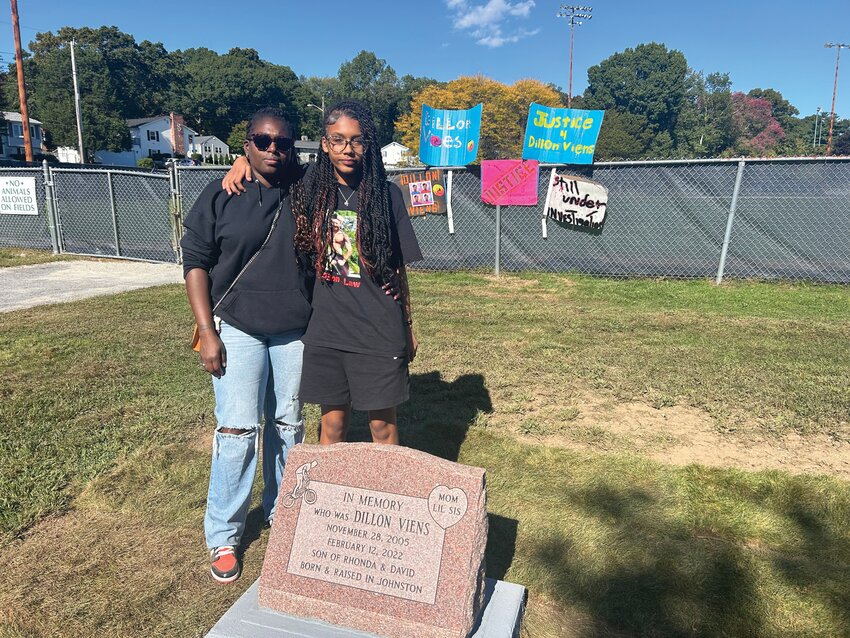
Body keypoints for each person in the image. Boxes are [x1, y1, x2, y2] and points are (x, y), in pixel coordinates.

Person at [223, 100, 422, 447]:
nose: (348, 149)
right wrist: (242, 160)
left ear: (368, 144)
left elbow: (399, 268)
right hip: (326, 329)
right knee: (331, 427)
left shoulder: (386, 195)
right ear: (325, 144)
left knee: (382, 430)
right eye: (338, 139)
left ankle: (386, 496)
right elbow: (268, 163)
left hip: (377, 329)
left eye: (357, 140)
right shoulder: (309, 184)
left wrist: (407, 326)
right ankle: (330, 500)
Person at [181, 107, 314, 584]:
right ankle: (224, 534)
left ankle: (282, 515)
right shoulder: (221, 192)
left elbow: (357, 172)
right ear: (246, 145)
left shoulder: (306, 187)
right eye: (262, 141)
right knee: (237, 432)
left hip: (294, 328)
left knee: (288, 426)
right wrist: (208, 331)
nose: (273, 149)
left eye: (282, 142)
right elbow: (195, 261)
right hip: (235, 325)